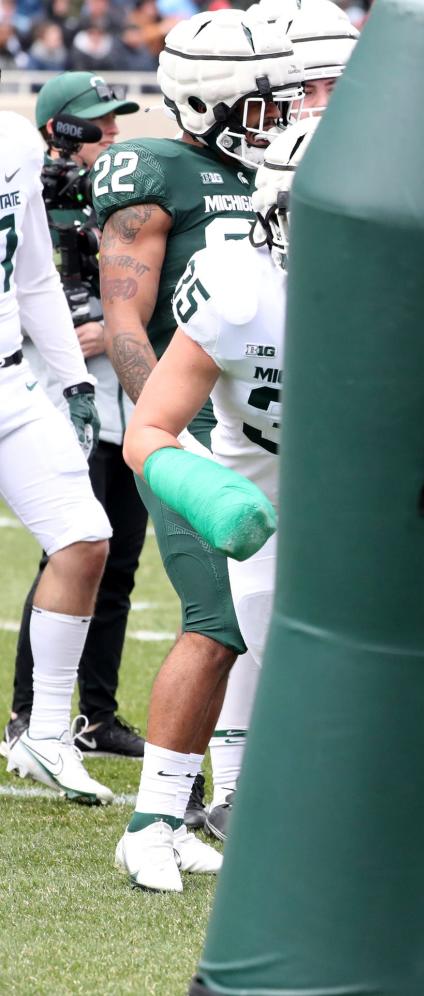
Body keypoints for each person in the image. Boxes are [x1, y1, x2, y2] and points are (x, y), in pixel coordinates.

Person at [96, 8, 302, 892]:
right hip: (215, 442)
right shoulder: (164, 180)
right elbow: (128, 326)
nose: (280, 117)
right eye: (261, 105)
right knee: (217, 623)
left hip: (310, 447)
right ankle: (153, 820)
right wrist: (177, 450)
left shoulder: (288, 180)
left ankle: (211, 810)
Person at [195, 0, 356, 844]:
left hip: (368, 478)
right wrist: (199, 482)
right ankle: (231, 792)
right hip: (259, 473)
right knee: (253, 632)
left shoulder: (409, 277)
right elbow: (153, 424)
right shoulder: (236, 282)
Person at [5, 72, 147, 763]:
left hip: (125, 389)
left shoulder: (119, 200)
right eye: (100, 122)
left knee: (116, 556)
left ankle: (97, 713)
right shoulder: (32, 190)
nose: (112, 132)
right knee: (68, 547)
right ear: (61, 128)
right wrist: (79, 331)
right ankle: (30, 713)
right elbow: (29, 290)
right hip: (53, 388)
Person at [0, 109, 112, 804]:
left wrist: (72, 380)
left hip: (10, 380)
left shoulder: (12, 138)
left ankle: (43, 735)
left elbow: (36, 278)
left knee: (84, 538)